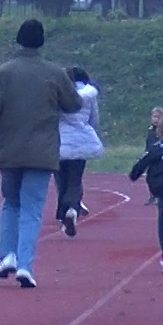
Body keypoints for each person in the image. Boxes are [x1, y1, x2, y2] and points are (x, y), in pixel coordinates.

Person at [0, 19, 81, 288]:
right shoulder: (54, 73)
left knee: (10, 203)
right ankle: (25, 264)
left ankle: (7, 255)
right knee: (32, 209)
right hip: (41, 150)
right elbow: (73, 104)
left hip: (9, 148)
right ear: (42, 42)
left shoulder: (2, 73)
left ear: (18, 40)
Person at [128, 110, 163, 268]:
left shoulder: (155, 149)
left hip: (160, 187)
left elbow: (140, 165)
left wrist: (133, 175)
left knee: (162, 217)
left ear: (161, 130)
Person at [55, 66, 104, 237]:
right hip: (81, 140)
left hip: (60, 141)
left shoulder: (58, 93)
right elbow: (94, 118)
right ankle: (72, 208)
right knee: (75, 179)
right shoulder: (90, 95)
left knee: (61, 180)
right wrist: (89, 132)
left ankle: (63, 213)